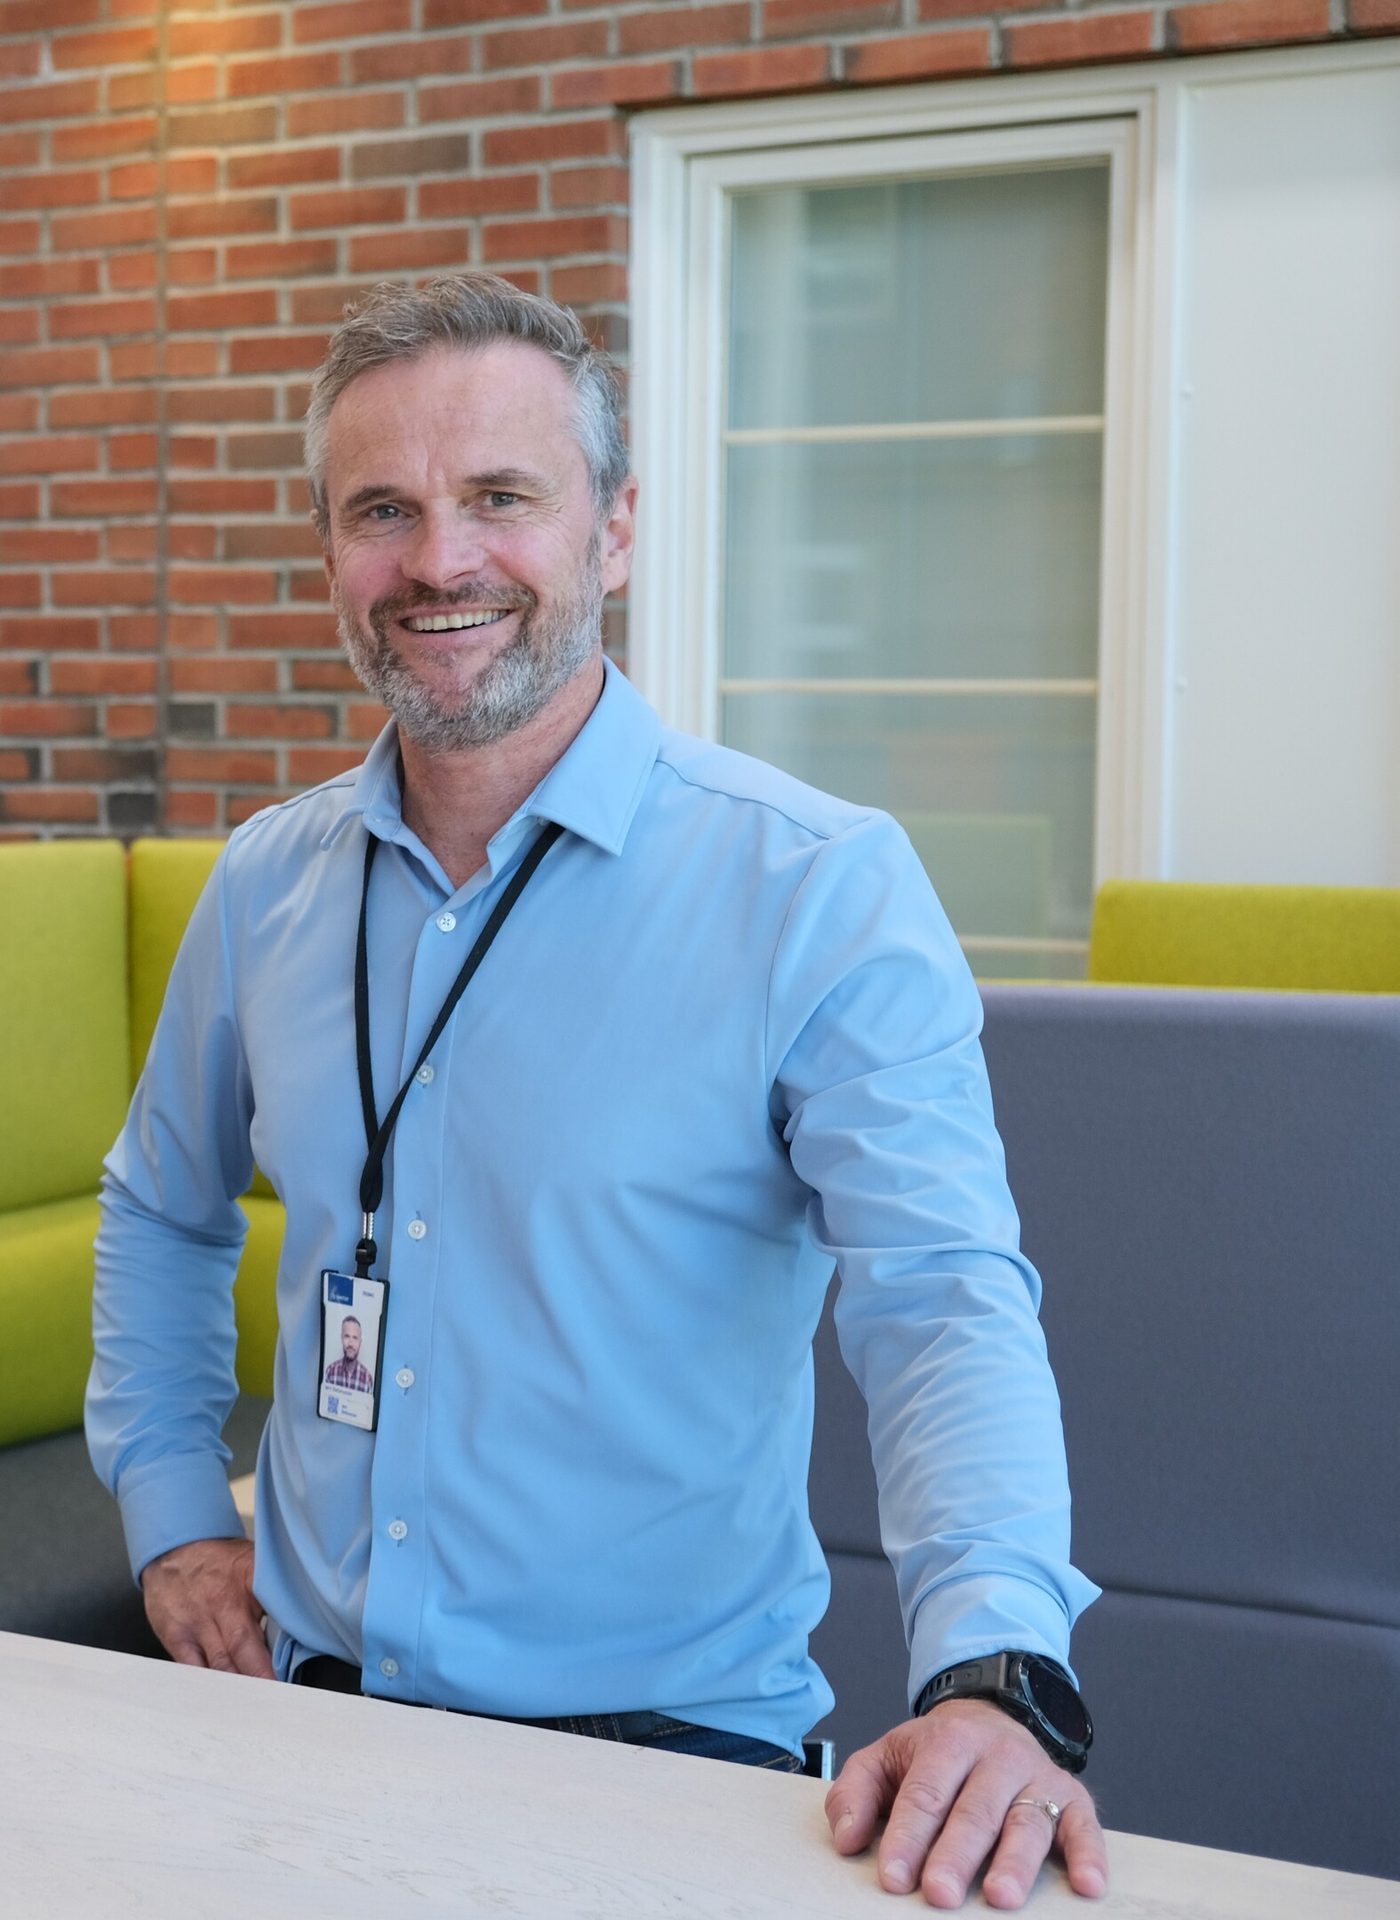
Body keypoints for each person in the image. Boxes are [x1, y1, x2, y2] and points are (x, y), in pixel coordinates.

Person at [88, 274, 1108, 1911]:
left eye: (501, 497)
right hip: (294, 1723)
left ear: (614, 532)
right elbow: (157, 1206)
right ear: (329, 555)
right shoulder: (266, 887)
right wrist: (167, 1514)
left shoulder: (814, 886)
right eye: (382, 511)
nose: (439, 561)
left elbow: (939, 1297)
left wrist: (997, 1669)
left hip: (657, 1764)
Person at [323, 1316, 372, 1392]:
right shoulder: (330, 1372)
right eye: (347, 1336)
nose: (350, 1344)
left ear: (360, 1342)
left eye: (355, 1338)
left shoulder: (367, 1380)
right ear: (341, 1338)